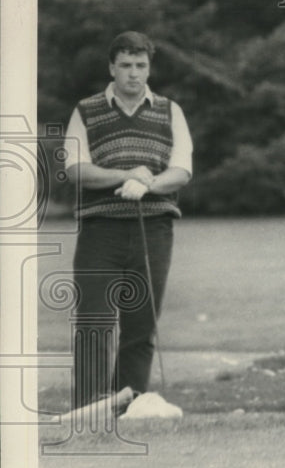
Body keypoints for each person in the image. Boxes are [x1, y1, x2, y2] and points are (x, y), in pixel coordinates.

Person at [63, 31, 193, 410]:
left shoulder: (171, 111)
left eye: (141, 65)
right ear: (111, 67)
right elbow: (75, 169)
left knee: (140, 326)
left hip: (153, 228)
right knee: (94, 323)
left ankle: (129, 409)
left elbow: (182, 170)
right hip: (99, 230)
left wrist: (147, 182)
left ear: (149, 68)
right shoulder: (86, 110)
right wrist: (125, 176)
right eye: (125, 65)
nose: (134, 74)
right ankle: (89, 411)